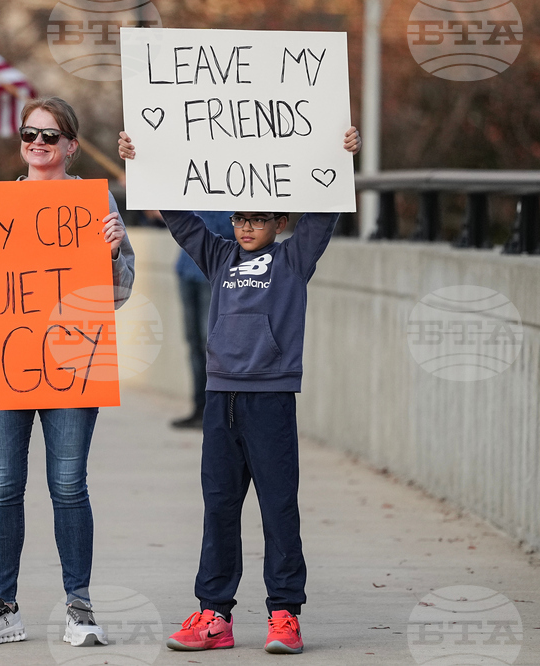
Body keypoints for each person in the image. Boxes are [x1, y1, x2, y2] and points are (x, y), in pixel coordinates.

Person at [117, 126, 361, 654]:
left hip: (270, 399)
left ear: (280, 222)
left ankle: (284, 615)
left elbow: (326, 212)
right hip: (219, 398)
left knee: (278, 506)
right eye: (240, 218)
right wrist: (143, 162)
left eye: (259, 218)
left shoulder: (294, 260)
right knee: (219, 506)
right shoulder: (219, 256)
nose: (247, 226)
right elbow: (178, 217)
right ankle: (213, 615)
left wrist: (341, 157)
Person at [0, 96, 135, 648]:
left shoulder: (94, 202)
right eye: (28, 135)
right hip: (2, 364)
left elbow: (119, 291)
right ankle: (3, 606)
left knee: (68, 485)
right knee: (2, 487)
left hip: (71, 362)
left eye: (49, 136)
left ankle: (80, 606)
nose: (36, 144)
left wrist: (112, 252)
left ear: (71, 145)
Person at [171, 210, 235, 429]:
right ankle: (200, 408)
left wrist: (193, 216)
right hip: (187, 269)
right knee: (194, 343)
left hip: (213, 272)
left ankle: (218, 411)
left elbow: (228, 227)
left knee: (213, 345)